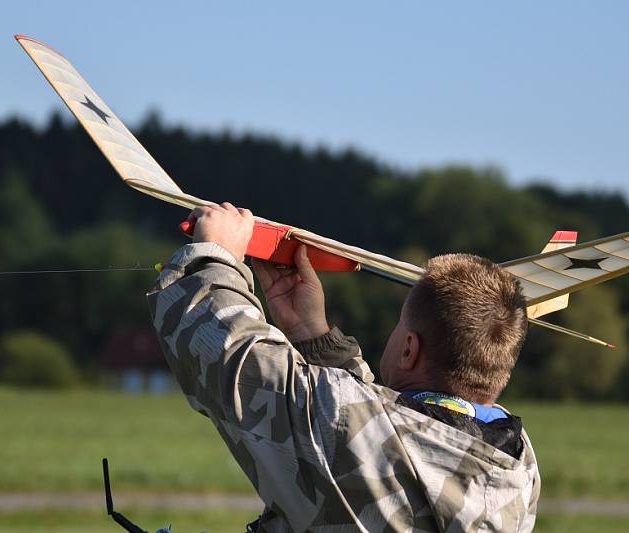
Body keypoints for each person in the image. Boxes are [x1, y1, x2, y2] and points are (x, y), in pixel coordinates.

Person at [148, 202, 540, 532]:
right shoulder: (517, 467)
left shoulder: (352, 427)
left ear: (409, 349)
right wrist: (311, 334)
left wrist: (214, 257)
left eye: (400, 322)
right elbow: (378, 432)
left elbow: (232, 361)